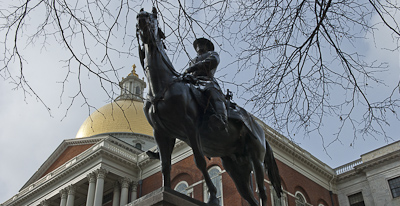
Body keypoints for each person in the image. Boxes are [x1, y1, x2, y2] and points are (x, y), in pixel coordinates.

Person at [184, 38, 227, 132]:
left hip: (206, 80)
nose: (199, 47)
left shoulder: (212, 54)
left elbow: (213, 61)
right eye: (197, 45)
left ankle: (221, 118)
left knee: (212, 91)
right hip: (192, 82)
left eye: (201, 44)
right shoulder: (193, 60)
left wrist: (193, 68)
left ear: (207, 46)